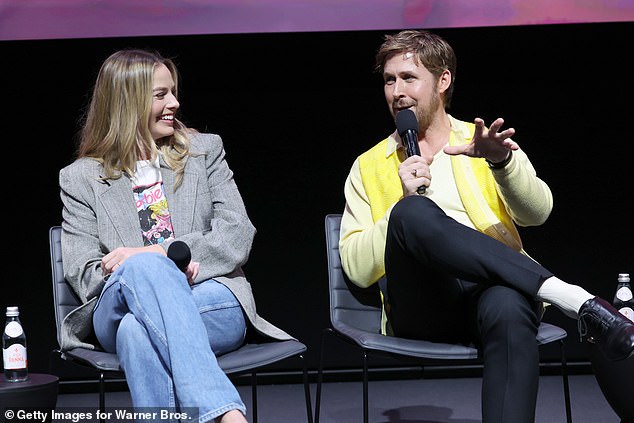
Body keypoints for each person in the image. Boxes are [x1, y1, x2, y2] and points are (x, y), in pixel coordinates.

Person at [339, 29, 634, 423]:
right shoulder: (369, 164)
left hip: (492, 294)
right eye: (390, 80)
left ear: (442, 80)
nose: (397, 92)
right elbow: (357, 270)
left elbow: (538, 212)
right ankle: (573, 298)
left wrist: (503, 164)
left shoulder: (484, 142)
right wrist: (401, 204)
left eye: (409, 79)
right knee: (412, 214)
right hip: (423, 305)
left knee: (510, 306)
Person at [58, 49, 292, 423]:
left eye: (173, 92)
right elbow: (84, 274)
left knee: (138, 332)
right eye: (160, 94)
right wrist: (152, 268)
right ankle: (225, 412)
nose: (175, 103)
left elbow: (237, 234)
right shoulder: (80, 178)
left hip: (210, 294)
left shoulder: (204, 152)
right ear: (126, 102)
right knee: (142, 272)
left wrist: (154, 253)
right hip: (118, 306)